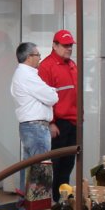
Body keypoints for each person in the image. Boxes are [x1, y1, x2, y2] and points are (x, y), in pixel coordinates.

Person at [9, 42, 58, 188]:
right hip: (36, 128)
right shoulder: (27, 75)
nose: (40, 58)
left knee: (31, 170)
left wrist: (50, 91)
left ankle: (28, 205)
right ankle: (38, 208)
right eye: (37, 55)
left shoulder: (24, 74)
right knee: (40, 171)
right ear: (29, 57)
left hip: (30, 127)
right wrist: (53, 91)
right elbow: (52, 97)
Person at [38, 29, 78, 199]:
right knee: (55, 165)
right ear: (54, 45)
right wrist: (51, 122)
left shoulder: (72, 65)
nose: (69, 48)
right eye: (65, 45)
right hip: (59, 124)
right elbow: (42, 98)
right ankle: (53, 203)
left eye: (70, 45)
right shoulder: (47, 67)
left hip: (73, 122)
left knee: (67, 165)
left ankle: (62, 202)